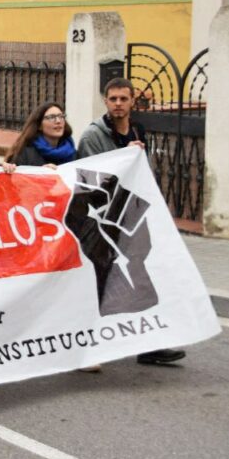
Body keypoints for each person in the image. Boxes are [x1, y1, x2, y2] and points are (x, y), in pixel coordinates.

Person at [77, 77, 185, 367]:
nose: (118, 104)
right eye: (113, 99)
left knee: (143, 276)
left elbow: (141, 176)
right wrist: (123, 158)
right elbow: (91, 180)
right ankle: (86, 348)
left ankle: (149, 345)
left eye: (123, 99)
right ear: (105, 101)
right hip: (102, 223)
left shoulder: (138, 130)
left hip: (132, 218)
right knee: (99, 284)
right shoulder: (92, 136)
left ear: (132, 101)